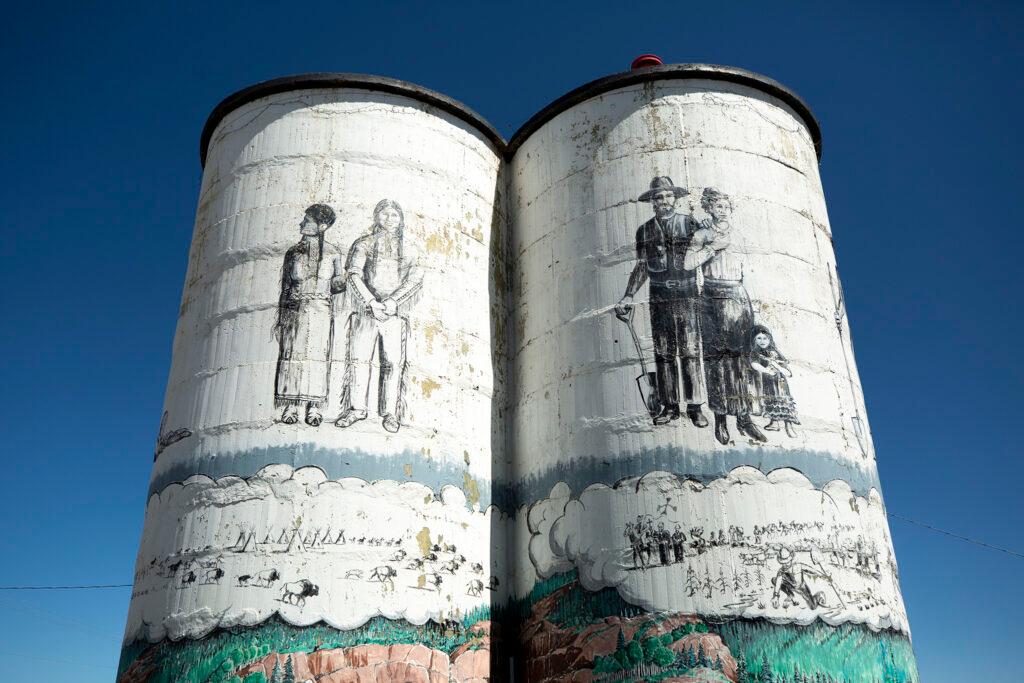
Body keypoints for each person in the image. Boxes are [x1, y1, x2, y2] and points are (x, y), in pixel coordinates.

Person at [615, 177, 709, 427]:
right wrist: (628, 294)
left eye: (668, 196)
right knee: (664, 352)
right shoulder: (645, 230)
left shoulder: (689, 223)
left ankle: (695, 406)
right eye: (658, 197)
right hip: (659, 296)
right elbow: (642, 266)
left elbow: (704, 256)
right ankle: (670, 406)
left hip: (687, 294)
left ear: (674, 198)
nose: (664, 201)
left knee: (690, 350)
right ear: (652, 202)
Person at [683, 188, 767, 444]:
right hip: (711, 296)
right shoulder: (702, 234)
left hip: (737, 295)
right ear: (708, 208)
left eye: (725, 206)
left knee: (741, 360)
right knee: (715, 360)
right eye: (717, 206)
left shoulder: (739, 232)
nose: (722, 210)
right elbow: (687, 263)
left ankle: (744, 418)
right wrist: (711, 248)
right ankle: (720, 419)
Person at [335, 199, 423, 433]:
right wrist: (371, 302)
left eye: (394, 215)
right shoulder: (364, 244)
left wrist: (393, 302)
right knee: (358, 361)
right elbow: (353, 275)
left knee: (393, 364)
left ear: (401, 219)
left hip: (394, 314)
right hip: (366, 311)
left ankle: (390, 413)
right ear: (376, 217)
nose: (389, 219)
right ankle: (356, 409)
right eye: (384, 214)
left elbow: (415, 278)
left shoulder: (411, 248)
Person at [274, 203, 343, 426]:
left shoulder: (333, 253)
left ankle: (314, 408)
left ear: (322, 225)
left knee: (318, 357)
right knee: (292, 356)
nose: (302, 223)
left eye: (307, 220)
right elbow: (285, 285)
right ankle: (290, 406)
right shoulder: (293, 252)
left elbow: (337, 284)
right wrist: (282, 315)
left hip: (322, 310)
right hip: (296, 307)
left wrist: (342, 282)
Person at [748, 324, 800, 437]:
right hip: (768, 383)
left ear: (770, 339)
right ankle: (774, 422)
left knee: (784, 402)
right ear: (754, 340)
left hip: (781, 383)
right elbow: (754, 364)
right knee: (771, 401)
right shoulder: (756, 353)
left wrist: (777, 366)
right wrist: (766, 370)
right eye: (759, 338)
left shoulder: (775, 351)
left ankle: (789, 426)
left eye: (765, 338)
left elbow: (788, 372)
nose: (762, 341)